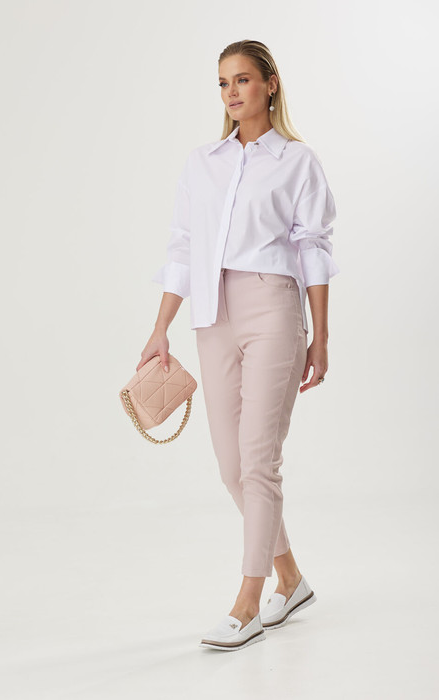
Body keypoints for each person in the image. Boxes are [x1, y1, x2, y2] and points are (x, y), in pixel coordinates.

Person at [137, 40, 340, 652]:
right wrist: (160, 328)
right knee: (232, 467)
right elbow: (182, 246)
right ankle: (290, 578)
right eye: (223, 82)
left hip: (273, 305)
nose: (232, 92)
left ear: (270, 84)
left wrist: (320, 335)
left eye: (243, 79)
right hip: (211, 313)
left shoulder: (297, 161)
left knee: (258, 460)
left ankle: (248, 601)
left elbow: (313, 248)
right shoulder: (202, 162)